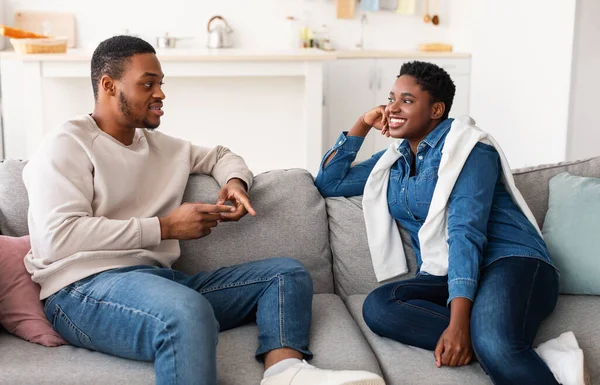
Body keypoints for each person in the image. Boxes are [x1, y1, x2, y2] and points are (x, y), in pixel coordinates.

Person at [22, 35, 384, 385]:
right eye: (148, 84)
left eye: (161, 83)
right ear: (109, 85)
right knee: (185, 311)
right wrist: (164, 227)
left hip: (158, 283)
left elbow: (221, 156)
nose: (161, 94)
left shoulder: (161, 146)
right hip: (81, 292)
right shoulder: (66, 144)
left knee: (286, 273)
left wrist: (236, 183)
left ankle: (284, 370)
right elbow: (58, 239)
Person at [314, 61, 588, 385]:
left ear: (436, 109)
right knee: (379, 306)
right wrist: (362, 123)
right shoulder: (393, 161)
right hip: (444, 271)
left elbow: (465, 233)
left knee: (495, 342)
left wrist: (457, 324)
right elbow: (329, 183)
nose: (393, 108)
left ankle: (501, 345)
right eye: (391, 99)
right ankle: (514, 348)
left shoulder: (469, 149)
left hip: (510, 262)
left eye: (407, 100)